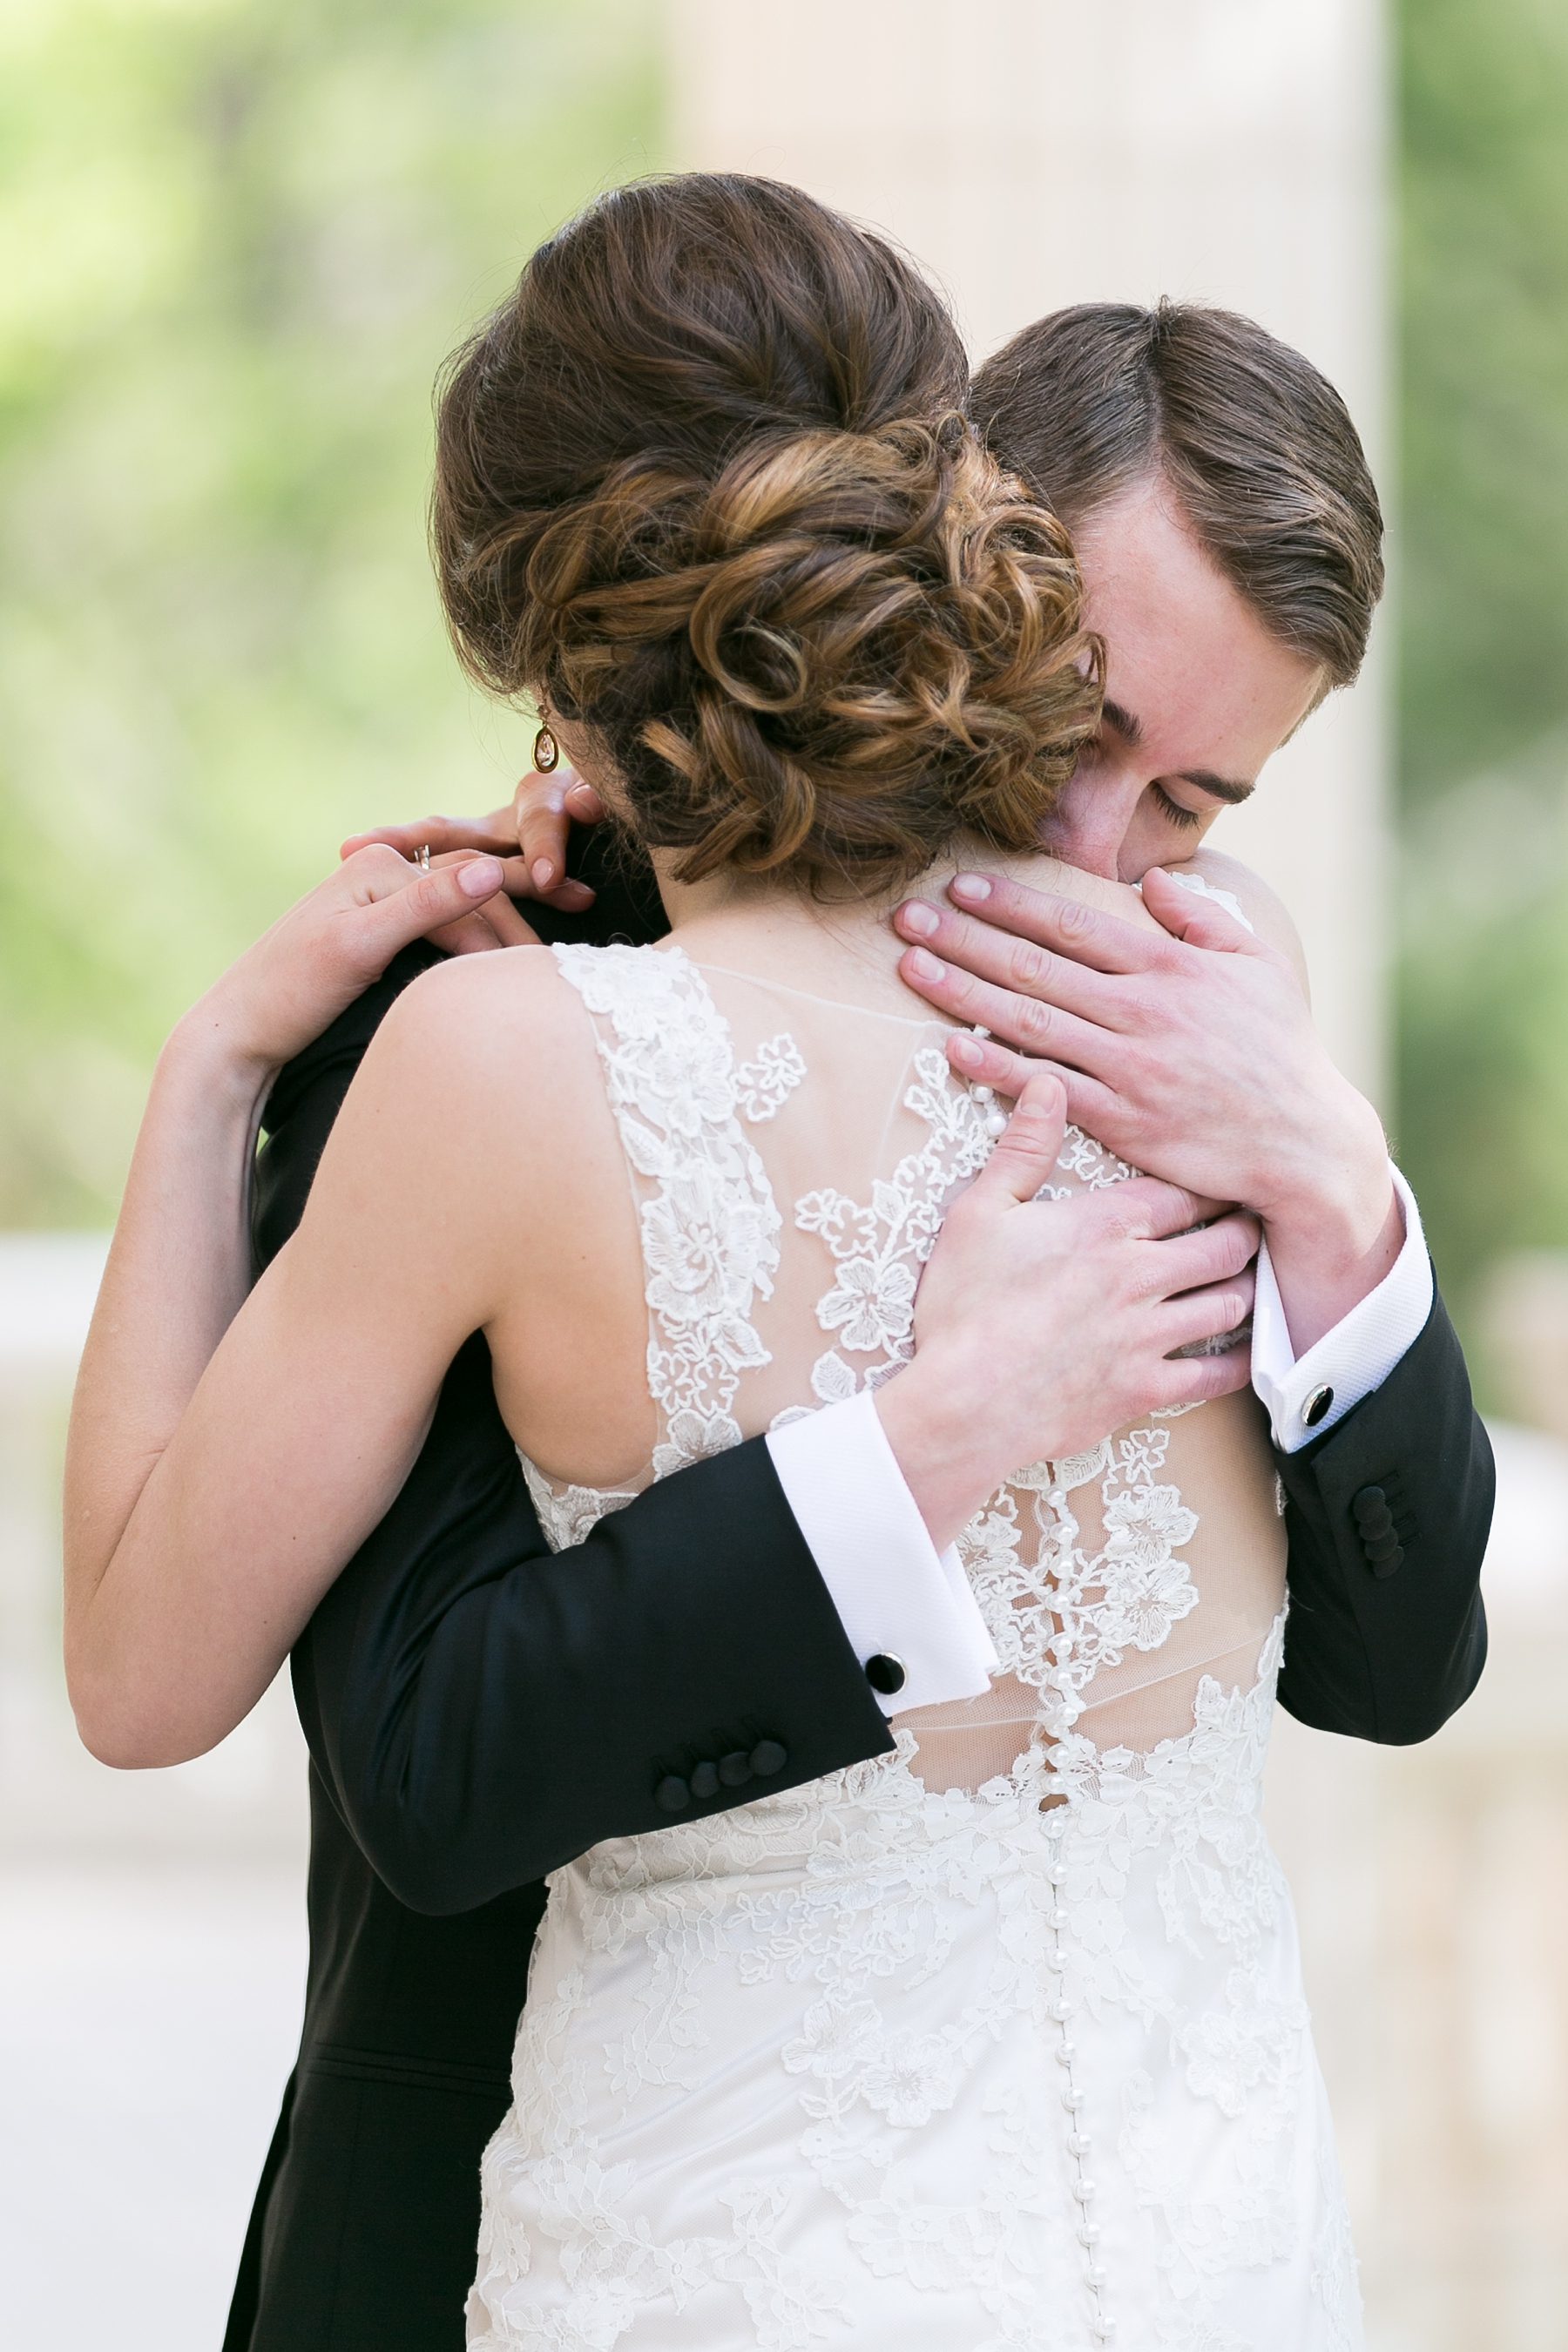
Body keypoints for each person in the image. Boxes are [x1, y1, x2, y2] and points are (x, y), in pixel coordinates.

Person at [64, 186, 1491, 2349]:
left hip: (1203, 2232)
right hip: (606, 2205)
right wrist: (917, 1441)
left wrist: (1337, 1178)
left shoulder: (1220, 1009)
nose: (1103, 859)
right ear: (962, 554)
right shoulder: (499, 1017)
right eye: (1081, 732)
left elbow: (1393, 1664)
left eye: (1190, 799)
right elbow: (431, 1761)